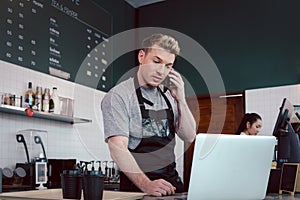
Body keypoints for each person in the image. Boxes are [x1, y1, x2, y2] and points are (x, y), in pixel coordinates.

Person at [101, 33, 196, 196]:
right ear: (141, 56)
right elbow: (117, 147)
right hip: (138, 189)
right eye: (156, 61)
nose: (161, 71)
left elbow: (189, 136)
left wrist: (181, 99)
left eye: (168, 66)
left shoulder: (168, 95)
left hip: (172, 185)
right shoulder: (119, 96)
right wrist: (147, 185)